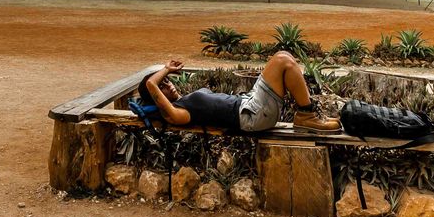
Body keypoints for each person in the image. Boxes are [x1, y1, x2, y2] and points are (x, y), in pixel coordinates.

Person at [139, 53, 342, 134]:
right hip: (251, 116)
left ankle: (308, 115)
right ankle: (307, 116)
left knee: (285, 57)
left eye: (168, 81)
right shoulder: (177, 112)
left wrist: (164, 75)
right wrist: (165, 69)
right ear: (156, 95)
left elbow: (152, 85)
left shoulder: (184, 101)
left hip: (250, 104)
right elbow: (150, 84)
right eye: (163, 85)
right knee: (283, 61)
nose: (170, 85)